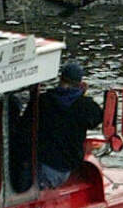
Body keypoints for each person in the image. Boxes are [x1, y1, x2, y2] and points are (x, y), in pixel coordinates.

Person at [30, 60, 104, 189]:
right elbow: (98, 117)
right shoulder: (85, 105)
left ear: (60, 79)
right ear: (80, 84)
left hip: (41, 161)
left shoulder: (43, 100)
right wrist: (83, 95)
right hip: (63, 167)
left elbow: (26, 125)